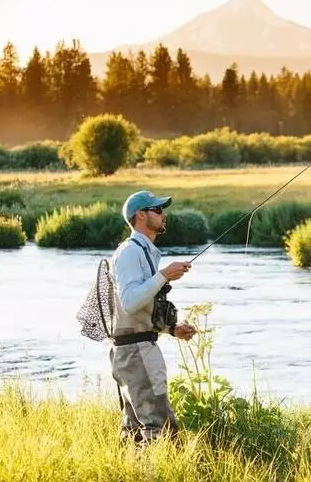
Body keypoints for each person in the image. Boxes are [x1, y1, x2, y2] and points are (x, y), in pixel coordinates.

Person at [109, 190, 196, 445]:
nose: (163, 214)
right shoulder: (129, 252)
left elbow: (141, 307)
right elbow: (130, 301)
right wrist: (164, 275)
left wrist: (172, 330)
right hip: (136, 352)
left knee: (135, 430)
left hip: (137, 348)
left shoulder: (144, 252)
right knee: (160, 427)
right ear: (140, 216)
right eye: (157, 210)